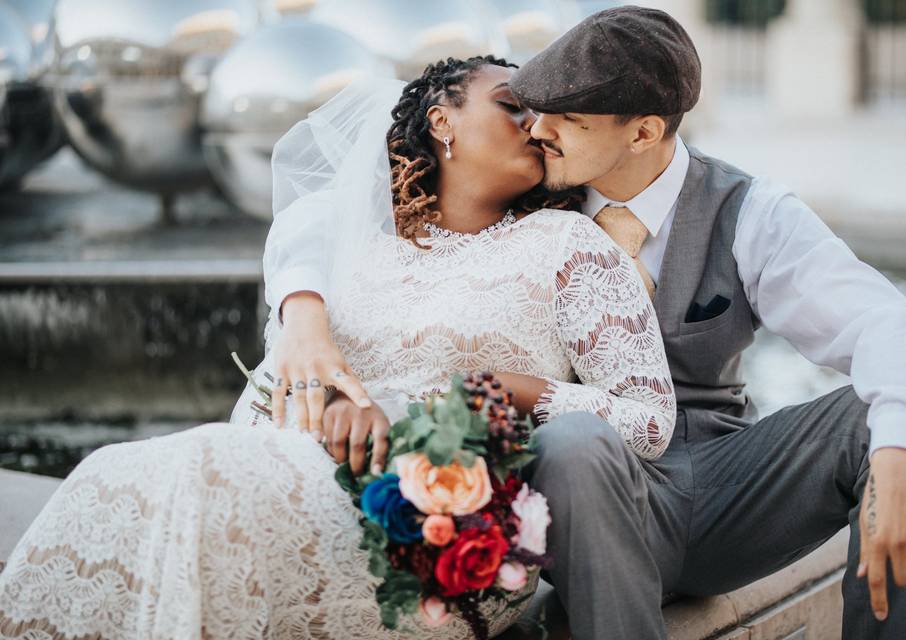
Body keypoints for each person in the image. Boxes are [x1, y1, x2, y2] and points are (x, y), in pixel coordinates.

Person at [271, 8, 906, 640]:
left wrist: (897, 453)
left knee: (902, 416)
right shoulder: (523, 196)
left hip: (722, 488)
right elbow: (324, 213)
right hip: (579, 491)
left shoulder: (750, 213)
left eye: (566, 118)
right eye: (536, 111)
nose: (539, 129)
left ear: (643, 131)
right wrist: (303, 313)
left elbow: (890, 325)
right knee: (574, 441)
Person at [0, 57, 676, 639]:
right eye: (511, 107)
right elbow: (284, 388)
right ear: (441, 121)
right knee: (114, 474)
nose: (535, 125)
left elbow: (648, 424)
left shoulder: (570, 247)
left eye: (545, 117)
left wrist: (494, 387)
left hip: (449, 533)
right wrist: (327, 404)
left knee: (202, 474)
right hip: (307, 482)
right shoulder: (353, 256)